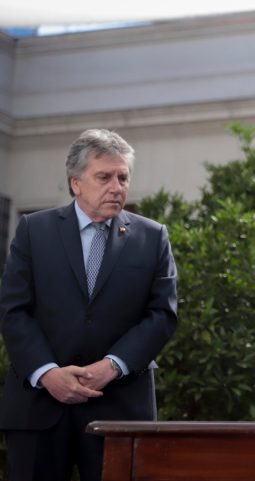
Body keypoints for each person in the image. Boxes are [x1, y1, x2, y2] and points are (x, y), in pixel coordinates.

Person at [0, 129, 178, 481]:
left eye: (123, 177)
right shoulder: (34, 230)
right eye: (104, 177)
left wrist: (112, 366)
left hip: (119, 408)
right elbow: (13, 309)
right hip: (39, 407)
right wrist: (47, 373)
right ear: (76, 183)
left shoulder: (152, 236)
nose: (117, 187)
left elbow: (162, 314)